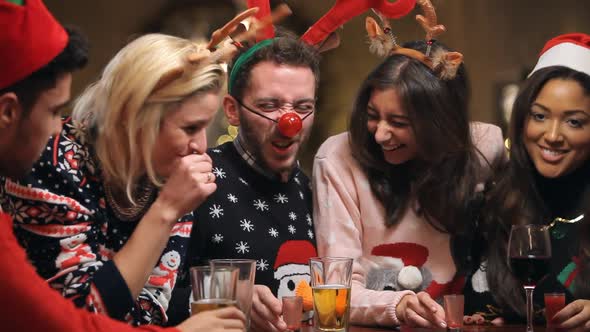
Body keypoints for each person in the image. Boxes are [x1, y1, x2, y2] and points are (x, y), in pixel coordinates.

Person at [0, 0, 245, 331]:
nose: (201, 146)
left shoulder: (168, 171)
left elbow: (147, 312)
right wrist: (167, 210)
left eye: (206, 126)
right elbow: (84, 317)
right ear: (137, 122)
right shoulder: (50, 161)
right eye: (189, 128)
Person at [311, 7, 506, 327]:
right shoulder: (337, 157)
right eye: (373, 115)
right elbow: (335, 290)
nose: (380, 133)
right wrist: (397, 305)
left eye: (399, 122)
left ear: (439, 123)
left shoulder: (485, 147)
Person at [167, 33, 321, 331]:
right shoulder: (195, 178)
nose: (290, 124)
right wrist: (227, 297)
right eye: (269, 105)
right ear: (232, 110)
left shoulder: (313, 190)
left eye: (302, 108)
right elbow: (145, 300)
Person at [464, 33, 590, 330]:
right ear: (522, 120)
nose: (553, 135)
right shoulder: (491, 198)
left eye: (574, 121)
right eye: (539, 116)